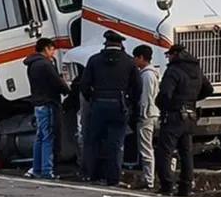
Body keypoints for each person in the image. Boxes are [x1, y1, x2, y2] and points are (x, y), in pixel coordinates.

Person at [80, 30, 141, 186]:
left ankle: (93, 175)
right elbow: (138, 87)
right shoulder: (129, 62)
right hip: (120, 105)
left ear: (105, 43)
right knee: (116, 143)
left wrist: (92, 99)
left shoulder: (94, 60)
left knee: (95, 140)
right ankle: (113, 178)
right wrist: (130, 103)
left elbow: (84, 85)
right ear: (121, 45)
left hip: (99, 104)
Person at [154, 42, 214, 197]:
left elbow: (165, 93)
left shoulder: (174, 70)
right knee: (186, 152)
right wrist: (192, 99)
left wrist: (163, 106)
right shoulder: (196, 69)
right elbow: (209, 89)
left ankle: (167, 184)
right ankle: (185, 186)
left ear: (174, 55)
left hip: (174, 115)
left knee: (164, 151)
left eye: (168, 55)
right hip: (191, 115)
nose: (168, 58)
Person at [23, 37, 70, 179]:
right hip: (48, 102)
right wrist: (67, 89)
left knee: (40, 137)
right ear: (45, 49)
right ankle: (46, 169)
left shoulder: (32, 64)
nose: (53, 53)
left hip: (38, 103)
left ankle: (36, 168)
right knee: (48, 136)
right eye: (52, 49)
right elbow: (57, 82)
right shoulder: (46, 65)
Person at [131, 44, 161, 190]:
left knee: (145, 148)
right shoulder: (152, 73)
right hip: (153, 113)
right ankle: (150, 177)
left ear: (142, 58)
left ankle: (148, 179)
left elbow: (146, 97)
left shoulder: (146, 75)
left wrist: (142, 113)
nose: (134, 61)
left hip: (147, 115)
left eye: (135, 58)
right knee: (150, 146)